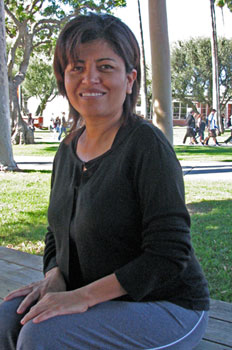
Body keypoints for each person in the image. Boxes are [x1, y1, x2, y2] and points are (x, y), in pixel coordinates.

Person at [0, 13, 209, 350]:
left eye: (106, 67)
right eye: (77, 67)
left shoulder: (146, 146)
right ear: (63, 78)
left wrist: (81, 297)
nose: (90, 78)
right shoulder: (67, 150)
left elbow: (169, 254)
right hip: (95, 297)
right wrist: (55, 274)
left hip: (169, 306)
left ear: (130, 79)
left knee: (43, 335)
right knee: (8, 318)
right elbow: (56, 233)